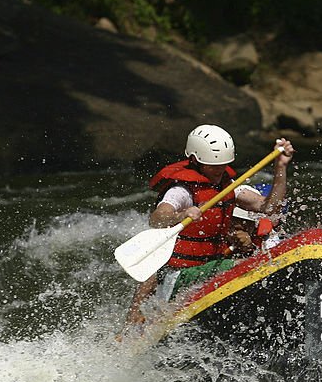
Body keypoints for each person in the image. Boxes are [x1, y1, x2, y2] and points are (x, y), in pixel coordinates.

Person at [125, 126, 295, 327]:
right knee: (250, 265)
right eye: (214, 166)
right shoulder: (181, 191)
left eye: (224, 165)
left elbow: (269, 208)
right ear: (196, 161)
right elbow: (157, 219)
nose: (219, 171)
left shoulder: (230, 186)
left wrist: (280, 168)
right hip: (179, 276)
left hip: (211, 266)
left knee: (254, 259)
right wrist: (182, 214)